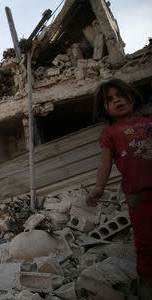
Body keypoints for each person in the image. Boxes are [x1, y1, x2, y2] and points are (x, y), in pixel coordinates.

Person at [85, 78, 152, 292]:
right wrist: (98, 187)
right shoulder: (110, 133)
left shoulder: (149, 120)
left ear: (132, 97)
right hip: (138, 193)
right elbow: (105, 164)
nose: (117, 100)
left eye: (121, 95)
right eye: (110, 100)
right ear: (105, 109)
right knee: (146, 240)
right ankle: (148, 282)